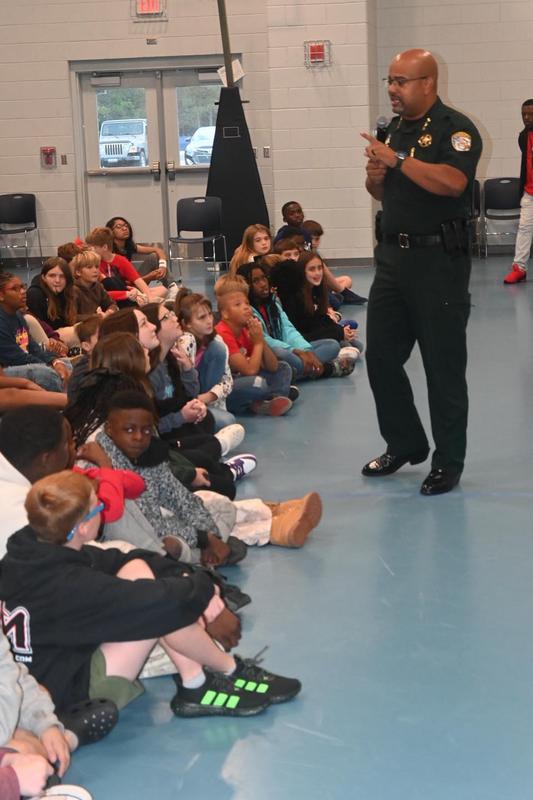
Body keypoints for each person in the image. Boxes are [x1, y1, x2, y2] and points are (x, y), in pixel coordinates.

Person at [0, 470, 301, 718]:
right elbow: (159, 601)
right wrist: (206, 587)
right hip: (68, 697)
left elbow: (123, 559)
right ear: (82, 526)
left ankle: (196, 682)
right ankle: (230, 670)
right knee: (158, 606)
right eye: (99, 507)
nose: (103, 510)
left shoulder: (30, 553)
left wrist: (187, 577)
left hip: (53, 669)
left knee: (140, 570)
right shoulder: (70, 585)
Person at [360, 48, 482, 495]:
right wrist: (376, 176)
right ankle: (405, 442)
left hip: (438, 264)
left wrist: (396, 160)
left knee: (441, 366)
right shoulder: (393, 130)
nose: (392, 89)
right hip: (393, 260)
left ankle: (448, 461)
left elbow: (453, 182)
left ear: (428, 83)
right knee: (381, 357)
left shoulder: (456, 129)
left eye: (401, 81)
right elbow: (381, 191)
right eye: (390, 81)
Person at [237, 262, 355, 380]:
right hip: (272, 354)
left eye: (264, 278)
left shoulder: (273, 303)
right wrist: (295, 351)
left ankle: (293, 374)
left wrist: (305, 350)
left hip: (291, 352)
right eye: (256, 281)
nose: (263, 284)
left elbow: (288, 329)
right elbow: (266, 341)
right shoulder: (247, 311)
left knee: (332, 345)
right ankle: (326, 369)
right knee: (281, 353)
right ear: (246, 286)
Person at [214, 276, 294, 416]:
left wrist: (260, 338)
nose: (246, 307)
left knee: (283, 368)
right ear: (225, 313)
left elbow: (273, 366)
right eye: (238, 305)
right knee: (258, 383)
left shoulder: (245, 329)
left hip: (244, 377)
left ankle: (272, 400)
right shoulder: (222, 333)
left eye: (247, 303)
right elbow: (250, 371)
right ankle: (265, 399)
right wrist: (257, 343)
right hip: (226, 386)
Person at [175, 291, 236, 430]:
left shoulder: (216, 340)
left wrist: (208, 397)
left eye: (210, 314)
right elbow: (181, 387)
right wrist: (195, 401)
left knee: (257, 385)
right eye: (202, 317)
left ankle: (253, 405)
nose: (209, 320)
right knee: (228, 422)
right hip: (187, 403)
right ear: (187, 323)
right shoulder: (184, 341)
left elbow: (228, 381)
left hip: (208, 399)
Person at [0, 273, 70, 393]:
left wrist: (55, 361)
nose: (23, 292)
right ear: (1, 295)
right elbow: (16, 358)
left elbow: (33, 347)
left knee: (67, 365)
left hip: (26, 362)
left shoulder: (19, 316)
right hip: (7, 371)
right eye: (14, 289)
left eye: (23, 287)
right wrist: (50, 365)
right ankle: (65, 402)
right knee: (47, 374)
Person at [85, 227, 167, 305]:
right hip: (111, 295)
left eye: (93, 248)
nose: (90, 251)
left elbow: (138, 281)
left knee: (163, 290)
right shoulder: (94, 263)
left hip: (126, 292)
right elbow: (99, 291)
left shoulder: (121, 260)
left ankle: (143, 300)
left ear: (104, 247)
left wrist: (149, 297)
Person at [301, 219, 367, 305]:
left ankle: (337, 292)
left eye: (317, 239)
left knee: (347, 279)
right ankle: (340, 293)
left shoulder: (315, 253)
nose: (313, 243)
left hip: (321, 284)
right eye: (311, 239)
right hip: (312, 287)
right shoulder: (305, 254)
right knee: (336, 301)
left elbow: (325, 277)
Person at [503, 100, 533, 284]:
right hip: (529, 192)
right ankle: (519, 269)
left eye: (530, 114)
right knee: (524, 229)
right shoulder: (523, 136)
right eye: (523, 114)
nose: (526, 118)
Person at [25, 258, 80, 347]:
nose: (57, 280)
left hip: (59, 336)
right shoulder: (35, 294)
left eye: (62, 276)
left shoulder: (68, 293)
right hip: (47, 339)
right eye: (52, 276)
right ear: (44, 277)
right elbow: (37, 328)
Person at [105, 216, 171, 287]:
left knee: (154, 257)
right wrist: (149, 277)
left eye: (126, 225)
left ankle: (172, 286)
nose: (124, 228)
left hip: (134, 281)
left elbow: (158, 250)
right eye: (118, 227)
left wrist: (162, 267)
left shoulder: (129, 246)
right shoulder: (109, 253)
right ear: (111, 232)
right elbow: (122, 284)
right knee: (160, 291)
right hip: (124, 287)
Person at [71, 251, 117, 319]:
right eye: (89, 267)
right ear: (78, 272)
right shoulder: (73, 290)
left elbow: (111, 304)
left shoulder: (98, 286)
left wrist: (109, 311)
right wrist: (97, 316)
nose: (95, 270)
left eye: (97, 267)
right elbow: (72, 318)